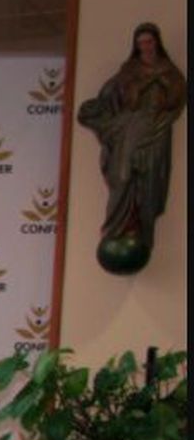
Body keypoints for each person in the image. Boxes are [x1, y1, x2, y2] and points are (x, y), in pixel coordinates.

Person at [77, 22, 187, 272]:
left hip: (156, 131)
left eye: (149, 42)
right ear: (136, 47)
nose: (146, 47)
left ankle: (140, 229)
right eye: (141, 43)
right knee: (123, 176)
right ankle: (117, 227)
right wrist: (142, 84)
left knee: (149, 183)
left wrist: (163, 83)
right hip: (132, 128)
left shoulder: (170, 71)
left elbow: (176, 98)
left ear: (157, 42)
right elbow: (117, 94)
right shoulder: (130, 69)